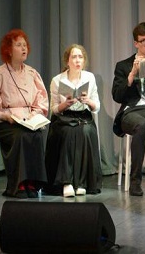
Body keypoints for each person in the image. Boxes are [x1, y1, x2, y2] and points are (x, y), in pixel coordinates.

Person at [0, 29, 48, 198]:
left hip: (27, 121)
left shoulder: (32, 73)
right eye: (19, 45)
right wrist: (7, 117)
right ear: (9, 50)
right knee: (21, 136)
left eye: (25, 45)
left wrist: (35, 114)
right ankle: (18, 185)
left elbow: (41, 102)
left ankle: (32, 183)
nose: (23, 48)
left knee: (36, 135)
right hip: (3, 123)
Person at [112, 22, 145, 197]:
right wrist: (132, 75)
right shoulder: (123, 65)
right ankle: (135, 181)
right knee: (141, 126)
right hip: (131, 112)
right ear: (136, 43)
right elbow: (117, 96)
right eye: (143, 41)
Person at [45, 44, 102, 197]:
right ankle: (66, 182)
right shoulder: (57, 80)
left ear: (84, 61)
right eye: (74, 57)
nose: (77, 60)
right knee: (68, 132)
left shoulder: (89, 78)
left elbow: (96, 106)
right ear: (67, 61)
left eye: (80, 57)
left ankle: (82, 182)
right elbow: (54, 109)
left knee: (85, 131)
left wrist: (88, 101)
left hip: (83, 116)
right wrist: (65, 104)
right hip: (64, 117)